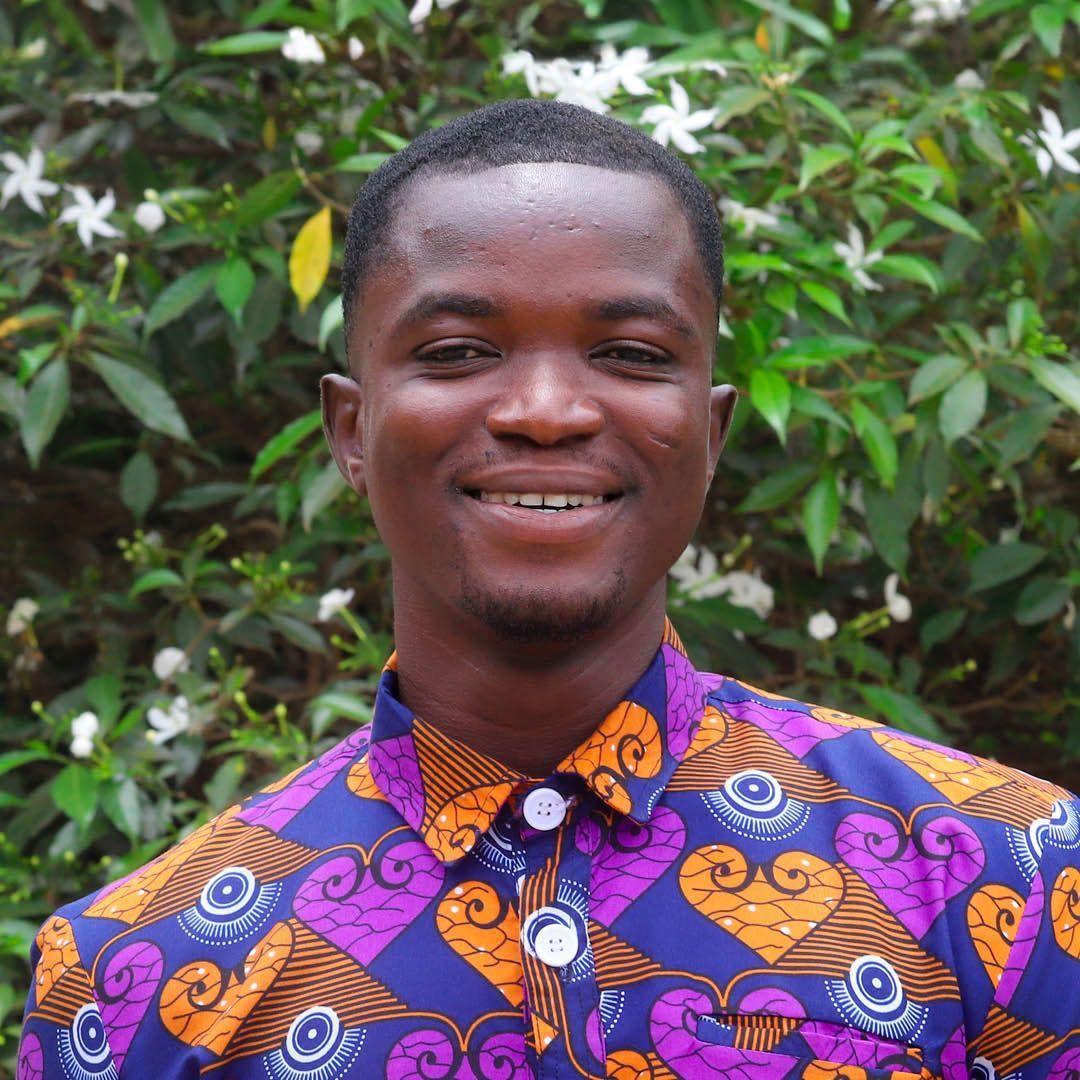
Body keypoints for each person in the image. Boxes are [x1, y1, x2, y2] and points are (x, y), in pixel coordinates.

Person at [18, 99, 1080, 1080]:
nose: (543, 410)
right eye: (457, 350)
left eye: (626, 351)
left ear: (709, 435)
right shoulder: (137, 972)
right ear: (351, 431)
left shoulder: (1005, 874)